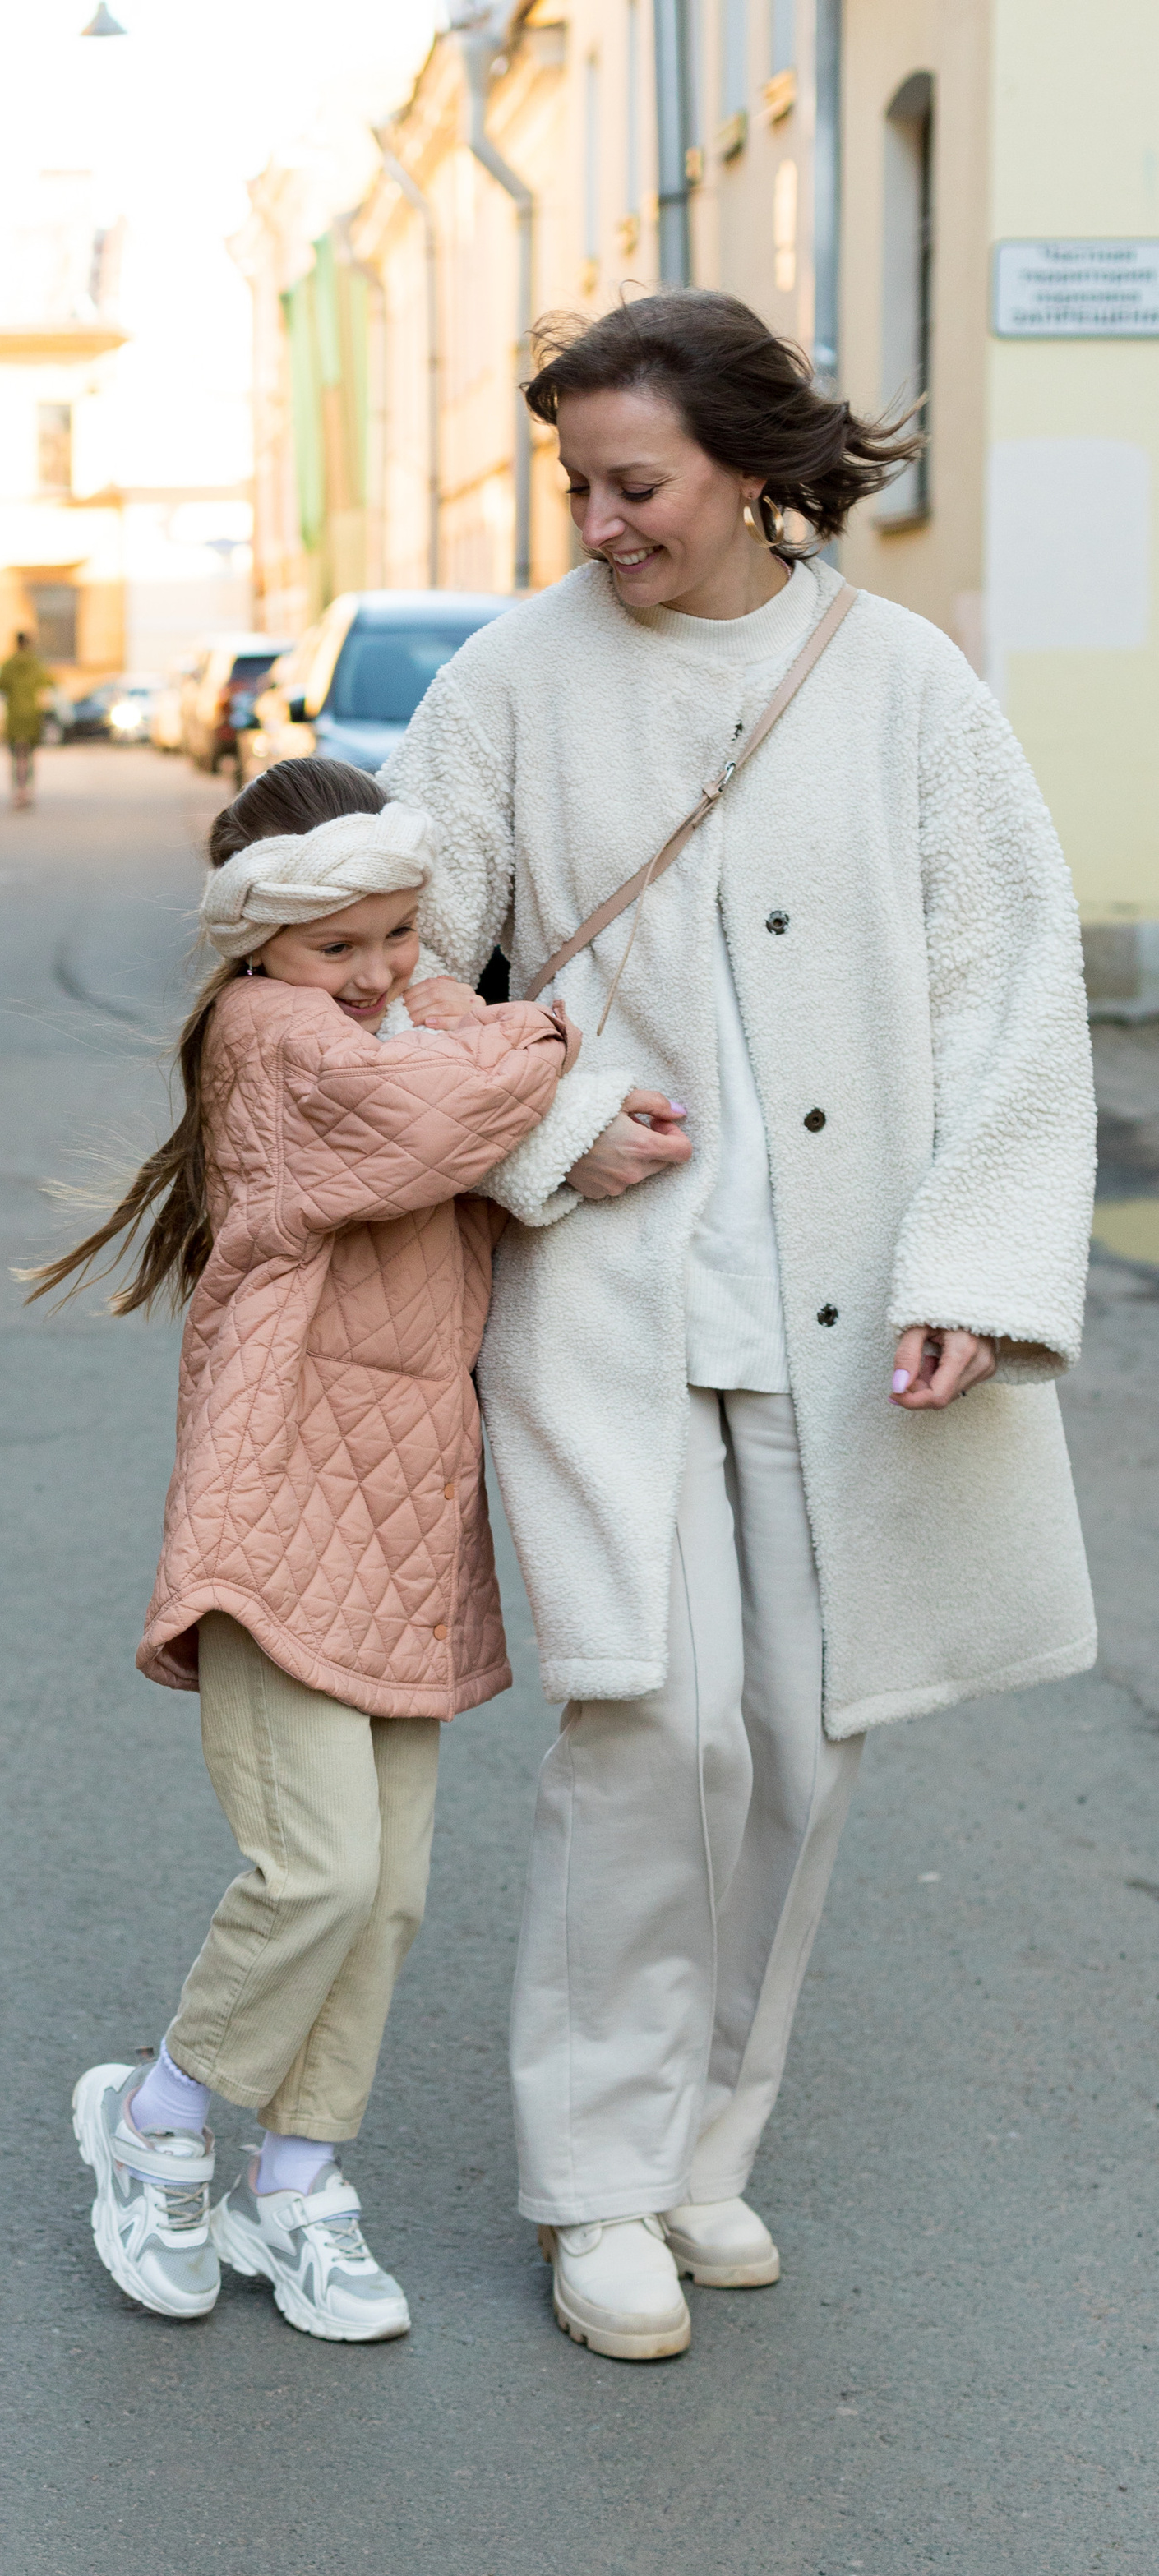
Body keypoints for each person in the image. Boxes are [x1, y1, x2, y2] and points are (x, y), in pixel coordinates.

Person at [378, 290, 1097, 2363]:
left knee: (798, 1728)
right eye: (575, 487)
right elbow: (394, 966)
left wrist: (974, 1269)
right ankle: (593, 2181)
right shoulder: (510, 683)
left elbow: (1007, 978)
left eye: (636, 485)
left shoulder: (899, 684)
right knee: (649, 1722)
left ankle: (706, 2146)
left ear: (752, 469)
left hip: (841, 1299)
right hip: (602, 1292)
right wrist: (547, 1130)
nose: (599, 523)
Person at [27, 761, 580, 2338]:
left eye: (400, 934)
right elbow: (434, 1120)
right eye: (338, 944)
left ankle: (300, 2184)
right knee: (320, 1867)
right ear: (259, 943)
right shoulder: (268, 1037)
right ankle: (158, 2120)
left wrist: (466, 1015)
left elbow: (446, 1059)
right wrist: (543, 1032)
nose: (379, 971)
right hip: (277, 1492)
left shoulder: (383, 1015)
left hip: (403, 1504)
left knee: (387, 1892)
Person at [0, 631, 56, 809]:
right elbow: (48, 683)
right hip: (31, 715)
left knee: (16, 756)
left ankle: (18, 792)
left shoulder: (8, 664)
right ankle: (27, 791)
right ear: (28, 644)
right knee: (29, 755)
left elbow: (0, 686)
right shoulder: (36, 663)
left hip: (14, 716)